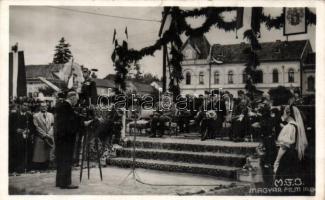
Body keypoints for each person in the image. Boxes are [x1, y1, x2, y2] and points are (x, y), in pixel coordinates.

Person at [54, 90, 92, 189]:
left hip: (60, 138)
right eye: (76, 99)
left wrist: (80, 121)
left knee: (61, 159)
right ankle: (66, 183)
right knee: (66, 158)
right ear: (72, 97)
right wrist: (83, 124)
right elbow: (71, 122)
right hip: (66, 138)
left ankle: (60, 181)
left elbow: (72, 119)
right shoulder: (66, 107)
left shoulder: (62, 106)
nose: (77, 102)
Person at [273, 105, 308, 190]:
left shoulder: (290, 126)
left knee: (284, 181)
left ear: (288, 114)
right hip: (293, 155)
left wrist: (277, 161)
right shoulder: (295, 125)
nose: (282, 115)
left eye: (284, 112)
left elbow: (285, 146)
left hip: (287, 157)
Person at [9, 101, 35, 173]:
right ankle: (16, 168)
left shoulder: (29, 115)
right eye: (24, 105)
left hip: (26, 137)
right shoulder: (13, 115)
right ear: (20, 106)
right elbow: (9, 126)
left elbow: (32, 126)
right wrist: (16, 130)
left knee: (27, 152)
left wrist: (29, 130)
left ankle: (26, 168)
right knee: (17, 152)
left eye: (27, 106)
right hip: (16, 138)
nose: (26, 107)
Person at [32, 102, 54, 170]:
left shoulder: (51, 115)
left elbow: (53, 125)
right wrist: (44, 135)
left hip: (49, 136)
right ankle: (40, 166)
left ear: (47, 107)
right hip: (40, 137)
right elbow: (36, 127)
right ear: (40, 107)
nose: (44, 107)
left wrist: (49, 134)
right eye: (42, 106)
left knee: (49, 152)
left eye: (45, 106)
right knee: (40, 153)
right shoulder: (35, 115)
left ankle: (48, 165)